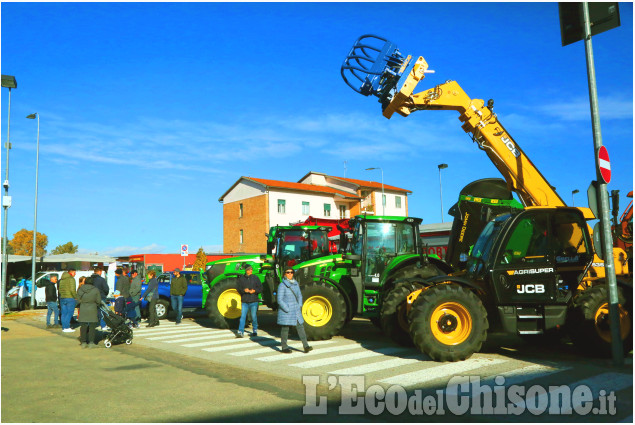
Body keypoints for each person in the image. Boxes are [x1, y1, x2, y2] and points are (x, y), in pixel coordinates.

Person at [276, 268, 312, 354]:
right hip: (287, 311)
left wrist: (299, 305)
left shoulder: (296, 283)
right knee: (285, 328)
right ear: (284, 274)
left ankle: (306, 346)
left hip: (296, 310)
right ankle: (284, 347)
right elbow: (279, 299)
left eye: (291, 272)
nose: (290, 274)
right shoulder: (282, 285)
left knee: (301, 327)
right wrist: (287, 308)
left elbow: (299, 295)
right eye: (288, 272)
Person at [236, 264, 262, 338]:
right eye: (249, 269)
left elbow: (260, 288)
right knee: (243, 317)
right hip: (245, 301)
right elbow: (238, 289)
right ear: (246, 270)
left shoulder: (255, 278)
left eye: (251, 269)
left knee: (254, 317)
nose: (251, 270)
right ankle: (240, 332)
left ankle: (255, 330)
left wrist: (254, 291)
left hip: (254, 301)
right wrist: (244, 290)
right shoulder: (241, 279)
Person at [76, 276, 101, 348]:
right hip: (92, 308)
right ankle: (91, 342)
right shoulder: (95, 290)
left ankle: (83, 342)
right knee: (92, 326)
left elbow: (78, 299)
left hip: (83, 308)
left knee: (83, 326)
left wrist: (83, 302)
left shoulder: (81, 289)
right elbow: (98, 301)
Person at [90, 266, 110, 331]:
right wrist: (104, 295)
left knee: (93, 312)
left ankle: (91, 325)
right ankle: (103, 325)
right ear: (99, 272)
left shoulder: (90, 279)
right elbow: (106, 289)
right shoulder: (101, 279)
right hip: (101, 297)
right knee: (102, 311)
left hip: (92, 297)